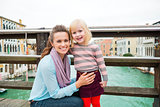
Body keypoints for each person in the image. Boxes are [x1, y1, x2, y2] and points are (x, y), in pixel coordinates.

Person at [28, 25, 95, 107]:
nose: (63, 44)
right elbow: (55, 94)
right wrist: (78, 83)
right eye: (59, 41)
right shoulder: (47, 64)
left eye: (66, 40)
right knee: (77, 103)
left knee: (82, 90)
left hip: (52, 97)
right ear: (52, 43)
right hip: (39, 101)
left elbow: (64, 83)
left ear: (69, 42)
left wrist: (82, 78)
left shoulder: (66, 59)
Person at [69, 19, 108, 107]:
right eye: (74, 33)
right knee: (85, 103)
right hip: (81, 78)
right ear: (71, 35)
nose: (78, 35)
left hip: (95, 77)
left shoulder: (94, 47)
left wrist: (105, 79)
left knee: (96, 103)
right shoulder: (73, 48)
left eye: (80, 31)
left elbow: (101, 64)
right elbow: (62, 49)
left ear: (86, 31)